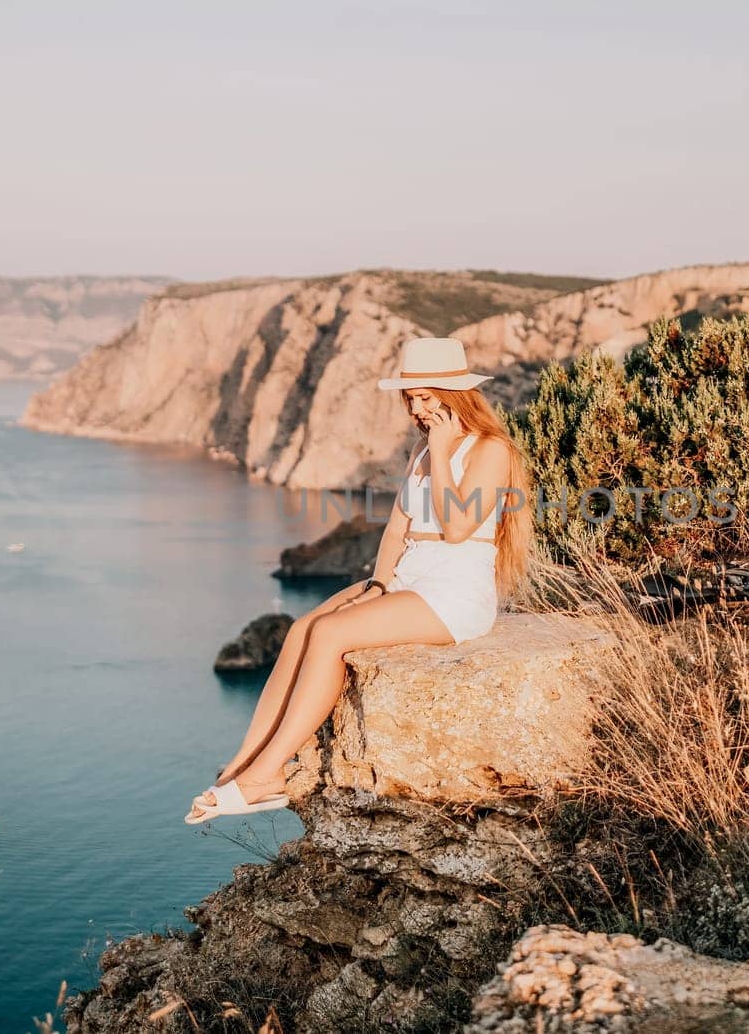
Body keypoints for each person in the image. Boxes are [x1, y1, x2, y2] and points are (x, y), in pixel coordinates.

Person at [185, 336, 535, 823]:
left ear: (454, 396)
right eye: (410, 399)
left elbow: (457, 529)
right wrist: (377, 584)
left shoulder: (489, 449)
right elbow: (397, 526)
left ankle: (268, 774)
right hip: (409, 576)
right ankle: (241, 767)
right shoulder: (419, 450)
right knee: (303, 628)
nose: (416, 409)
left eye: (426, 398)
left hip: (455, 591)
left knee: (332, 634)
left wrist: (439, 449)